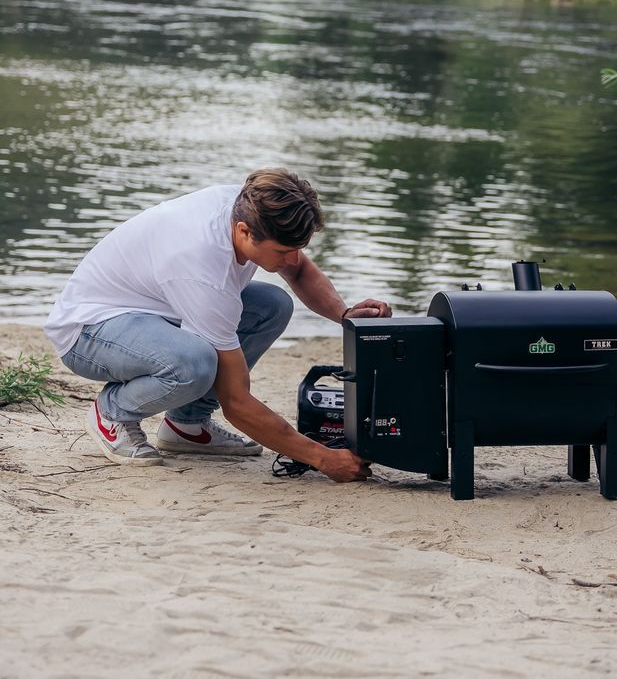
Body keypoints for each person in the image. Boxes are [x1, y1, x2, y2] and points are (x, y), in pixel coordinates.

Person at [44, 169, 392, 482]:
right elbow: (237, 402)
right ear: (243, 231)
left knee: (273, 304)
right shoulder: (202, 269)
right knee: (193, 364)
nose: (292, 259)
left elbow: (299, 270)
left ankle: (186, 425)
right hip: (89, 330)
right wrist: (323, 458)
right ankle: (112, 412)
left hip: (155, 312)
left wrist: (344, 315)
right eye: (283, 250)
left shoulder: (248, 205)